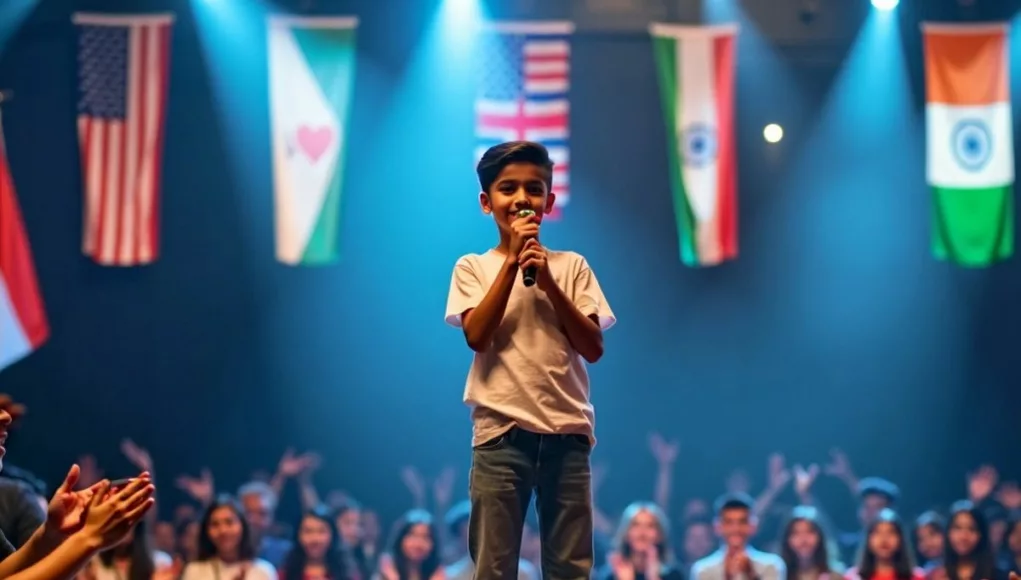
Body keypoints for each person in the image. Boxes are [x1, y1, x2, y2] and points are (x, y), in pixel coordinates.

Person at [444, 141, 615, 580]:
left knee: (571, 567)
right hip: (502, 437)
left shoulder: (572, 266)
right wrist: (512, 265)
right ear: (487, 203)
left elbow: (593, 347)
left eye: (534, 189)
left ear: (549, 201)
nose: (521, 199)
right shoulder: (472, 267)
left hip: (568, 436)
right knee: (495, 567)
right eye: (508, 189)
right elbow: (477, 336)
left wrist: (550, 283)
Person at [690, 493, 785, 580]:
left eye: (742, 522)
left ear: (753, 526)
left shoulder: (771, 565)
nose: (736, 528)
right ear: (718, 527)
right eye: (729, 522)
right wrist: (727, 575)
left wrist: (750, 572)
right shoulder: (703, 569)